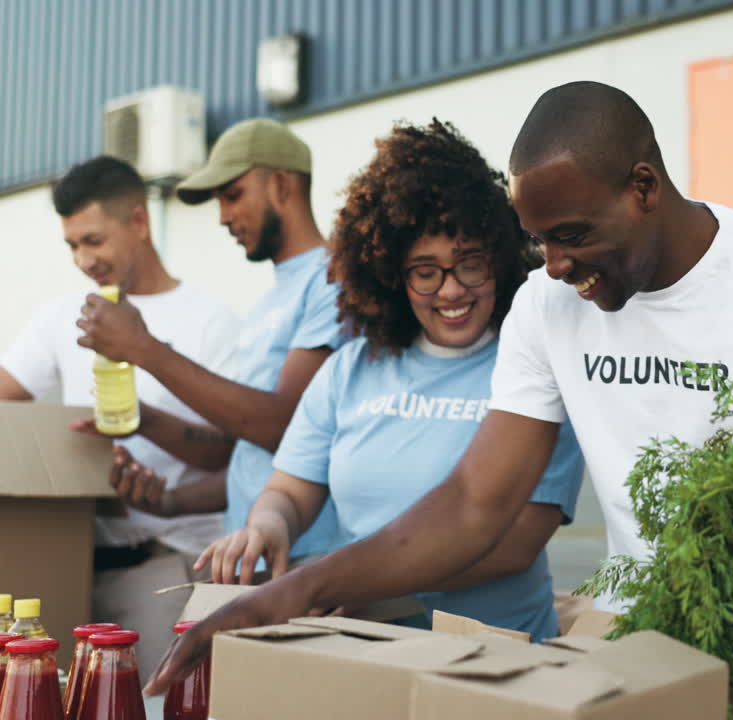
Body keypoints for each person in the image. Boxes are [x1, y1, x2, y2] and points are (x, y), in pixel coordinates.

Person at [146, 80, 733, 691]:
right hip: (636, 648)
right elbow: (477, 500)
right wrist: (291, 593)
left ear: (643, 187)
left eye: (571, 235)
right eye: (537, 242)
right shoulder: (547, 305)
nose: (555, 267)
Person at [196, 120, 584, 640]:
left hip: (498, 654)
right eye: (425, 271)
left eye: (469, 263)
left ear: (500, 258)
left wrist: (363, 583)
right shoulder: (350, 369)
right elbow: (289, 490)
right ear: (390, 275)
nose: (451, 290)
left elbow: (517, 542)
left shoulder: (530, 365)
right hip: (370, 651)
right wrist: (267, 527)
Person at [0, 156, 240, 677]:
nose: (84, 259)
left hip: (166, 570)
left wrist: (140, 419)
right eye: (72, 246)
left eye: (94, 240)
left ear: (139, 221)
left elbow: (232, 449)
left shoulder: (212, 323)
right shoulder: (62, 316)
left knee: (150, 708)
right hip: (71, 561)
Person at [76, 118, 347, 564]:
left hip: (306, 562)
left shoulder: (332, 280)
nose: (222, 216)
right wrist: (167, 498)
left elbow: (288, 431)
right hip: (249, 562)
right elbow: (251, 454)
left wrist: (143, 348)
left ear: (281, 184)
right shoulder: (266, 304)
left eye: (233, 195)